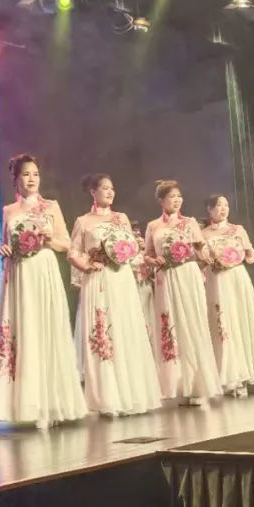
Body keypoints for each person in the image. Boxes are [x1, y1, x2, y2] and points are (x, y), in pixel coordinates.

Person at [0, 154, 87, 429]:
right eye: (26, 174)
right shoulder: (9, 211)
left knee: (47, 329)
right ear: (16, 179)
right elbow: (5, 243)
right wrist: (4, 250)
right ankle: (28, 405)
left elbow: (66, 244)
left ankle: (52, 403)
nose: (32, 179)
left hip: (44, 270)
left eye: (35, 174)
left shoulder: (51, 206)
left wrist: (48, 238)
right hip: (20, 273)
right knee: (25, 332)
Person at [68, 174, 162, 417]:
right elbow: (73, 253)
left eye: (112, 188)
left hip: (121, 279)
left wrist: (130, 256)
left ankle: (132, 394)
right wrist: (87, 265)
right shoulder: (83, 221)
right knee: (103, 334)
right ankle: (107, 398)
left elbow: (132, 248)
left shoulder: (121, 218)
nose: (110, 192)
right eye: (105, 188)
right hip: (98, 280)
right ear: (93, 191)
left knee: (125, 330)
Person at [144, 180, 223, 405]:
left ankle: (198, 386)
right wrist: (153, 260)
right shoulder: (153, 226)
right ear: (161, 201)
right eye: (172, 197)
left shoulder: (190, 223)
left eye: (179, 196)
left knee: (193, 323)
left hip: (188, 274)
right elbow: (147, 254)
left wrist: (207, 255)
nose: (177, 200)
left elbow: (200, 249)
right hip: (166, 277)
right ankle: (178, 386)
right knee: (171, 325)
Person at [201, 194, 254, 392]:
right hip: (217, 279)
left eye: (226, 205)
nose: (223, 209)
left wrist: (240, 256)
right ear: (209, 209)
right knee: (223, 323)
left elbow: (252, 255)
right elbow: (201, 260)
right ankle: (228, 377)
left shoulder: (238, 230)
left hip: (237, 277)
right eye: (219, 205)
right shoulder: (203, 234)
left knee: (240, 319)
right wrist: (213, 260)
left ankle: (245, 375)